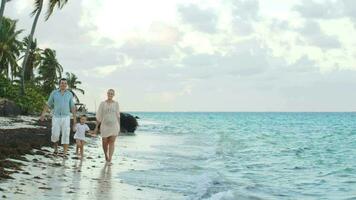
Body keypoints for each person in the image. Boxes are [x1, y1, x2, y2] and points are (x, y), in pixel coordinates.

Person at [40, 78, 76, 158]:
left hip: (66, 117)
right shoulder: (54, 93)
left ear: (67, 85)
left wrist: (74, 120)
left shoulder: (69, 94)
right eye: (62, 83)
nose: (63, 85)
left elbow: (72, 107)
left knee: (66, 134)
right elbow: (48, 104)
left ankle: (64, 153)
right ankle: (56, 149)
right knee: (55, 134)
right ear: (59, 84)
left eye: (65, 83)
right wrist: (43, 114)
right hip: (56, 117)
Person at [94, 89, 120, 164]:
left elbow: (118, 116)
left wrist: (119, 126)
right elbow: (99, 116)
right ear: (107, 94)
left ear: (113, 95)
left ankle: (110, 158)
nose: (110, 95)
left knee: (112, 142)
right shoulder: (102, 103)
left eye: (112, 94)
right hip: (104, 126)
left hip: (114, 126)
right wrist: (96, 127)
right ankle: (106, 155)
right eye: (109, 93)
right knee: (104, 142)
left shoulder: (116, 104)